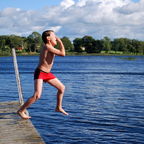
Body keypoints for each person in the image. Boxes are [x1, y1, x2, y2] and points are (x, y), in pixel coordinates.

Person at [17, 30, 69, 119]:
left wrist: (58, 41)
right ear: (48, 38)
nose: (56, 38)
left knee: (62, 88)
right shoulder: (47, 47)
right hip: (40, 72)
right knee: (37, 95)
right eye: (54, 36)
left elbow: (61, 53)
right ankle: (21, 110)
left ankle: (58, 107)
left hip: (47, 73)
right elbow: (63, 53)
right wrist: (60, 42)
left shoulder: (50, 47)